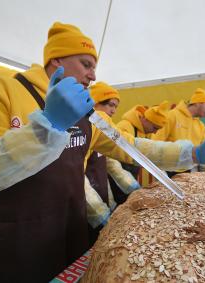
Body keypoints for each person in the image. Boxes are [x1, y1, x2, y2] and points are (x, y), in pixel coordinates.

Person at [0, 21, 205, 283]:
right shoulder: (0, 92)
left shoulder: (88, 115)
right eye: (86, 64)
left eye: (94, 67)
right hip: (12, 248)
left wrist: (193, 154)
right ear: (57, 61)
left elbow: (133, 146)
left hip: (69, 237)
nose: (93, 75)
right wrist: (47, 126)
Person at [107, 101, 170, 204]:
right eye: (155, 128)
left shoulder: (146, 132)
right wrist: (127, 183)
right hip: (118, 177)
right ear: (145, 120)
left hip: (132, 173)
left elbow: (151, 154)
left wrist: (164, 178)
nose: (155, 132)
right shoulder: (125, 126)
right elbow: (113, 158)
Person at [84, 81, 122, 246]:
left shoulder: (104, 129)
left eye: (116, 106)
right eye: (110, 105)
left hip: (101, 192)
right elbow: (77, 177)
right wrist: (99, 212)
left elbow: (110, 165)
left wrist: (111, 204)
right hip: (86, 202)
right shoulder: (85, 129)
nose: (113, 111)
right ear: (95, 103)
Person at [152, 88, 205, 176]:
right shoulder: (172, 115)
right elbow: (155, 141)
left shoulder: (201, 126)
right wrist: (160, 170)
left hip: (190, 172)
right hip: (169, 171)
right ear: (198, 103)